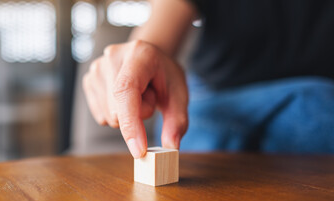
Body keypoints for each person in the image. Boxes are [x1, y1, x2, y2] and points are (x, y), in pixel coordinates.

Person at [82, 0, 334, 158]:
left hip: (319, 104)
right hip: (209, 99)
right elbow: (158, 32)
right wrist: (141, 54)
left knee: (316, 107)